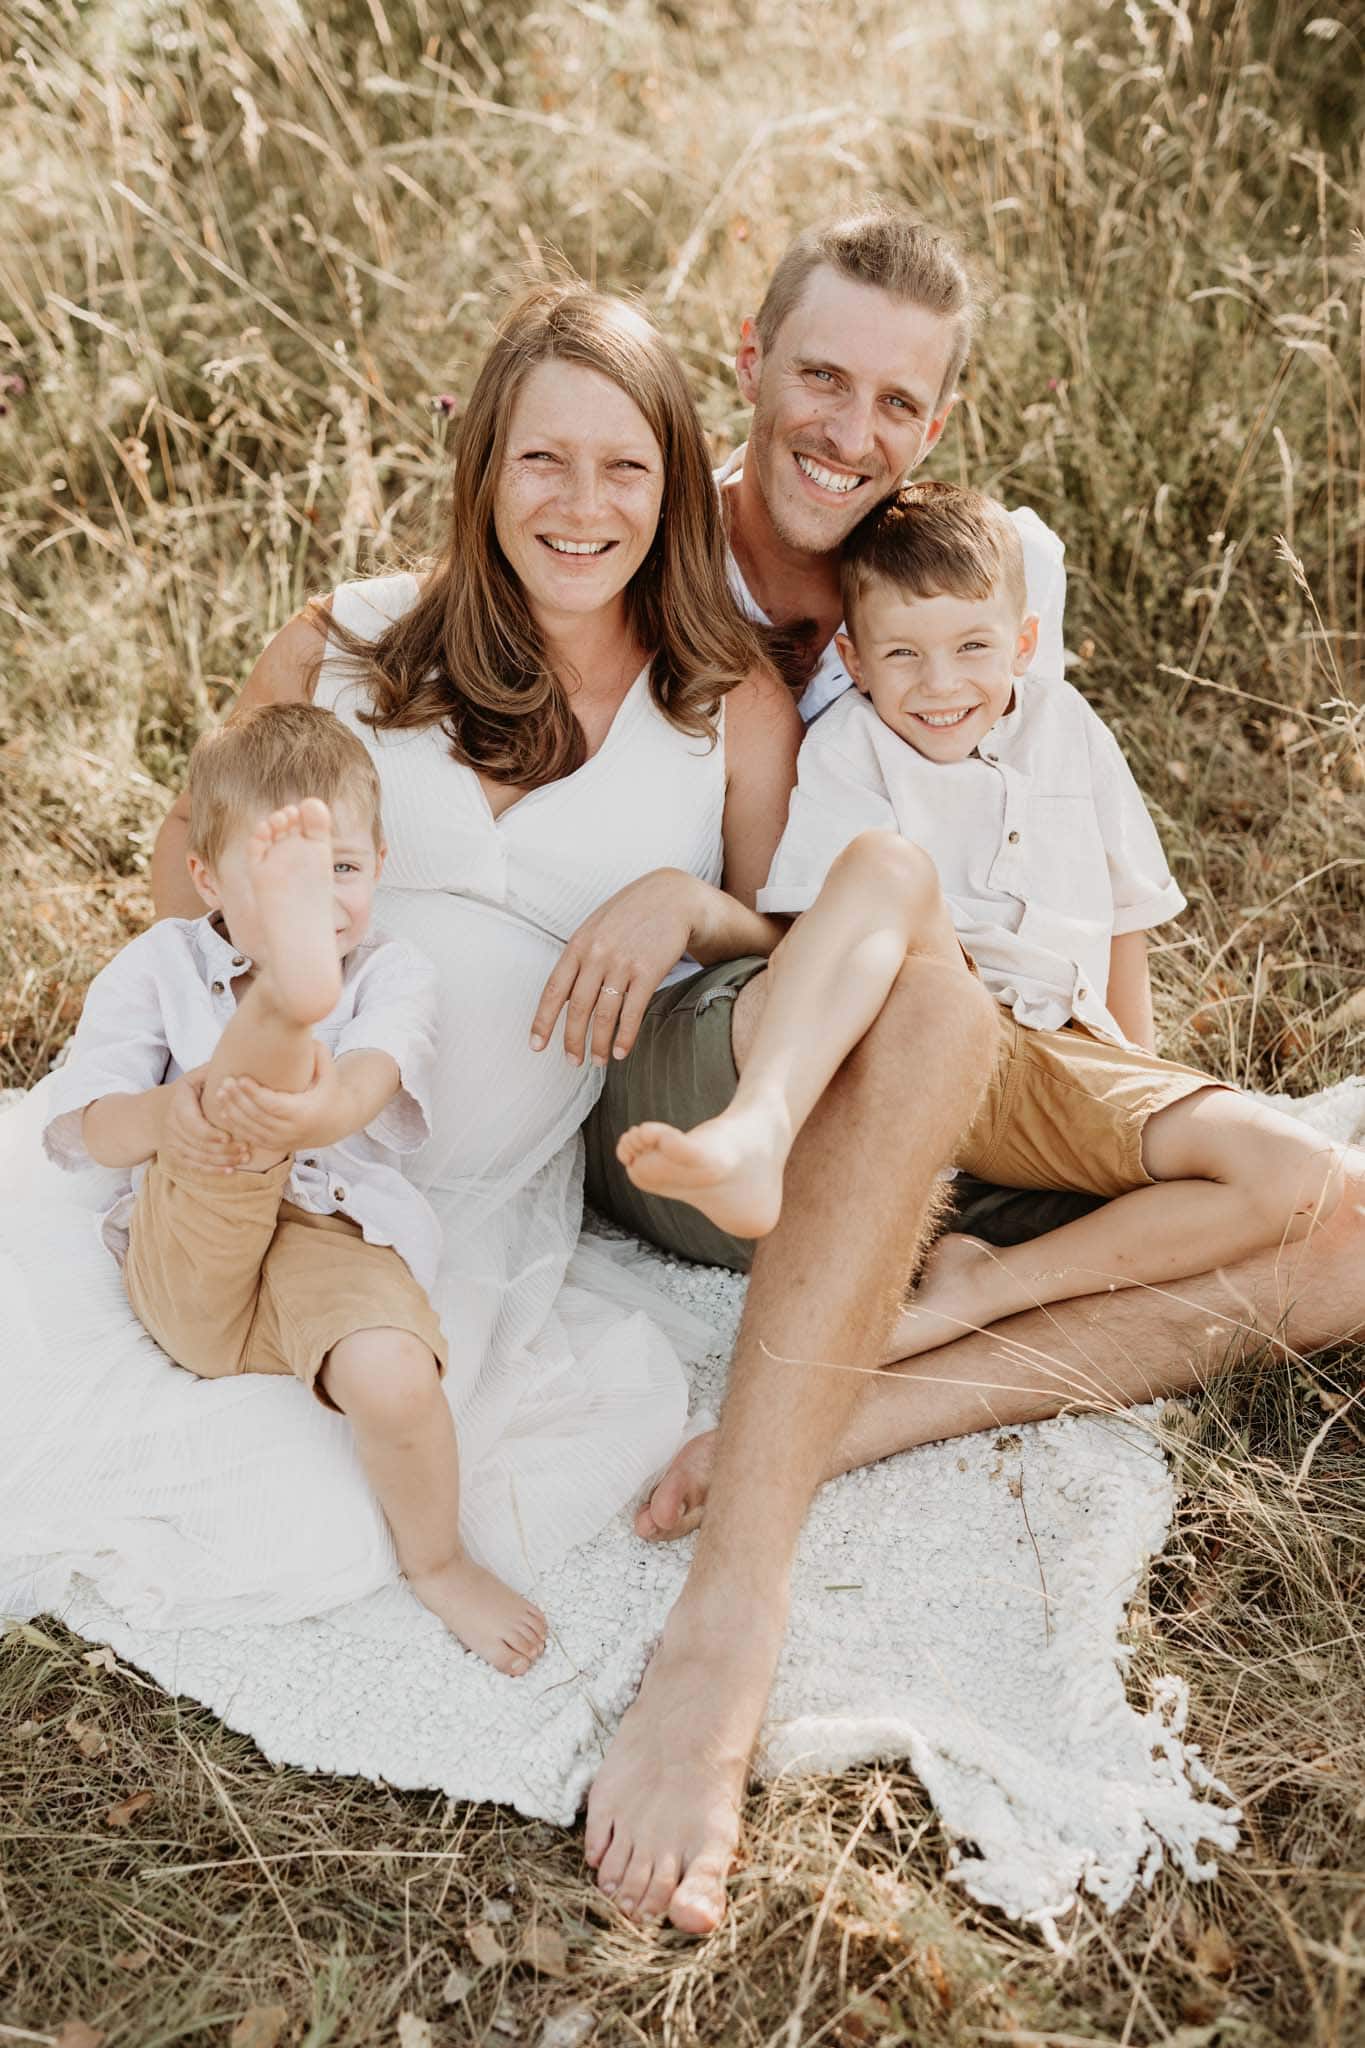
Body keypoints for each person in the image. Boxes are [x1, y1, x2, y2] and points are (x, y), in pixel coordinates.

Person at [576, 210, 1365, 1938]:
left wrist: (1124, 1092)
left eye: (899, 402)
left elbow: (1070, 814)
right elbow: (711, 878)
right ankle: (729, 1623)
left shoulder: (982, 575)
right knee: (912, 966)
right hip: (722, 1066)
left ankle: (877, 1390)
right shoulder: (629, 536)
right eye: (821, 378)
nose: (853, 430)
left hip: (981, 1057)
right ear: (748, 363)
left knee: (1344, 1236)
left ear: (941, 418)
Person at [614, 481, 1344, 1341]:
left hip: (1061, 1060)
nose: (940, 685)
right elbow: (821, 933)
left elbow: (1123, 920)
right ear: (853, 660)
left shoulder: (1067, 726)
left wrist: (1146, 1080)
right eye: (902, 656)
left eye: (971, 646)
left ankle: (986, 1285)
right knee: (883, 868)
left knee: (1312, 1179)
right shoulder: (855, 745)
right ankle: (758, 1130)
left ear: (1023, 644)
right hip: (931, 1026)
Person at [44, 702, 552, 1675]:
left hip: (332, 1225)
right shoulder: (158, 964)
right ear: (206, 879)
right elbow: (89, 1123)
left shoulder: (394, 971)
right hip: (189, 1238)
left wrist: (308, 1118)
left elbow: (366, 1083)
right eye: (285, 883)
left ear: (381, 861)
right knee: (224, 1133)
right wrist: (171, 1115)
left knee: (396, 1374)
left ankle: (437, 1558)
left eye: (343, 872)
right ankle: (281, 1008)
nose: (328, 899)